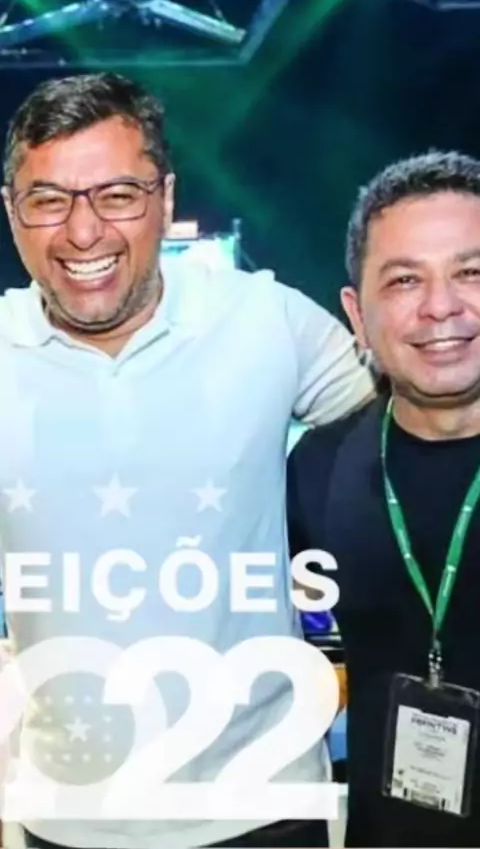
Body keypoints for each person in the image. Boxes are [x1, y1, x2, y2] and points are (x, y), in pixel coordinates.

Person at [0, 72, 373, 849]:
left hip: (263, 805)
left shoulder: (264, 319)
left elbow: (420, 421)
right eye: (49, 199)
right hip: (69, 818)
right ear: (12, 211)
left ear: (165, 200)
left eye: (118, 194)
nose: (83, 231)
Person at [287, 150, 480, 848]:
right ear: (357, 317)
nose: (441, 306)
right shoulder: (317, 471)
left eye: (471, 272)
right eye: (404, 280)